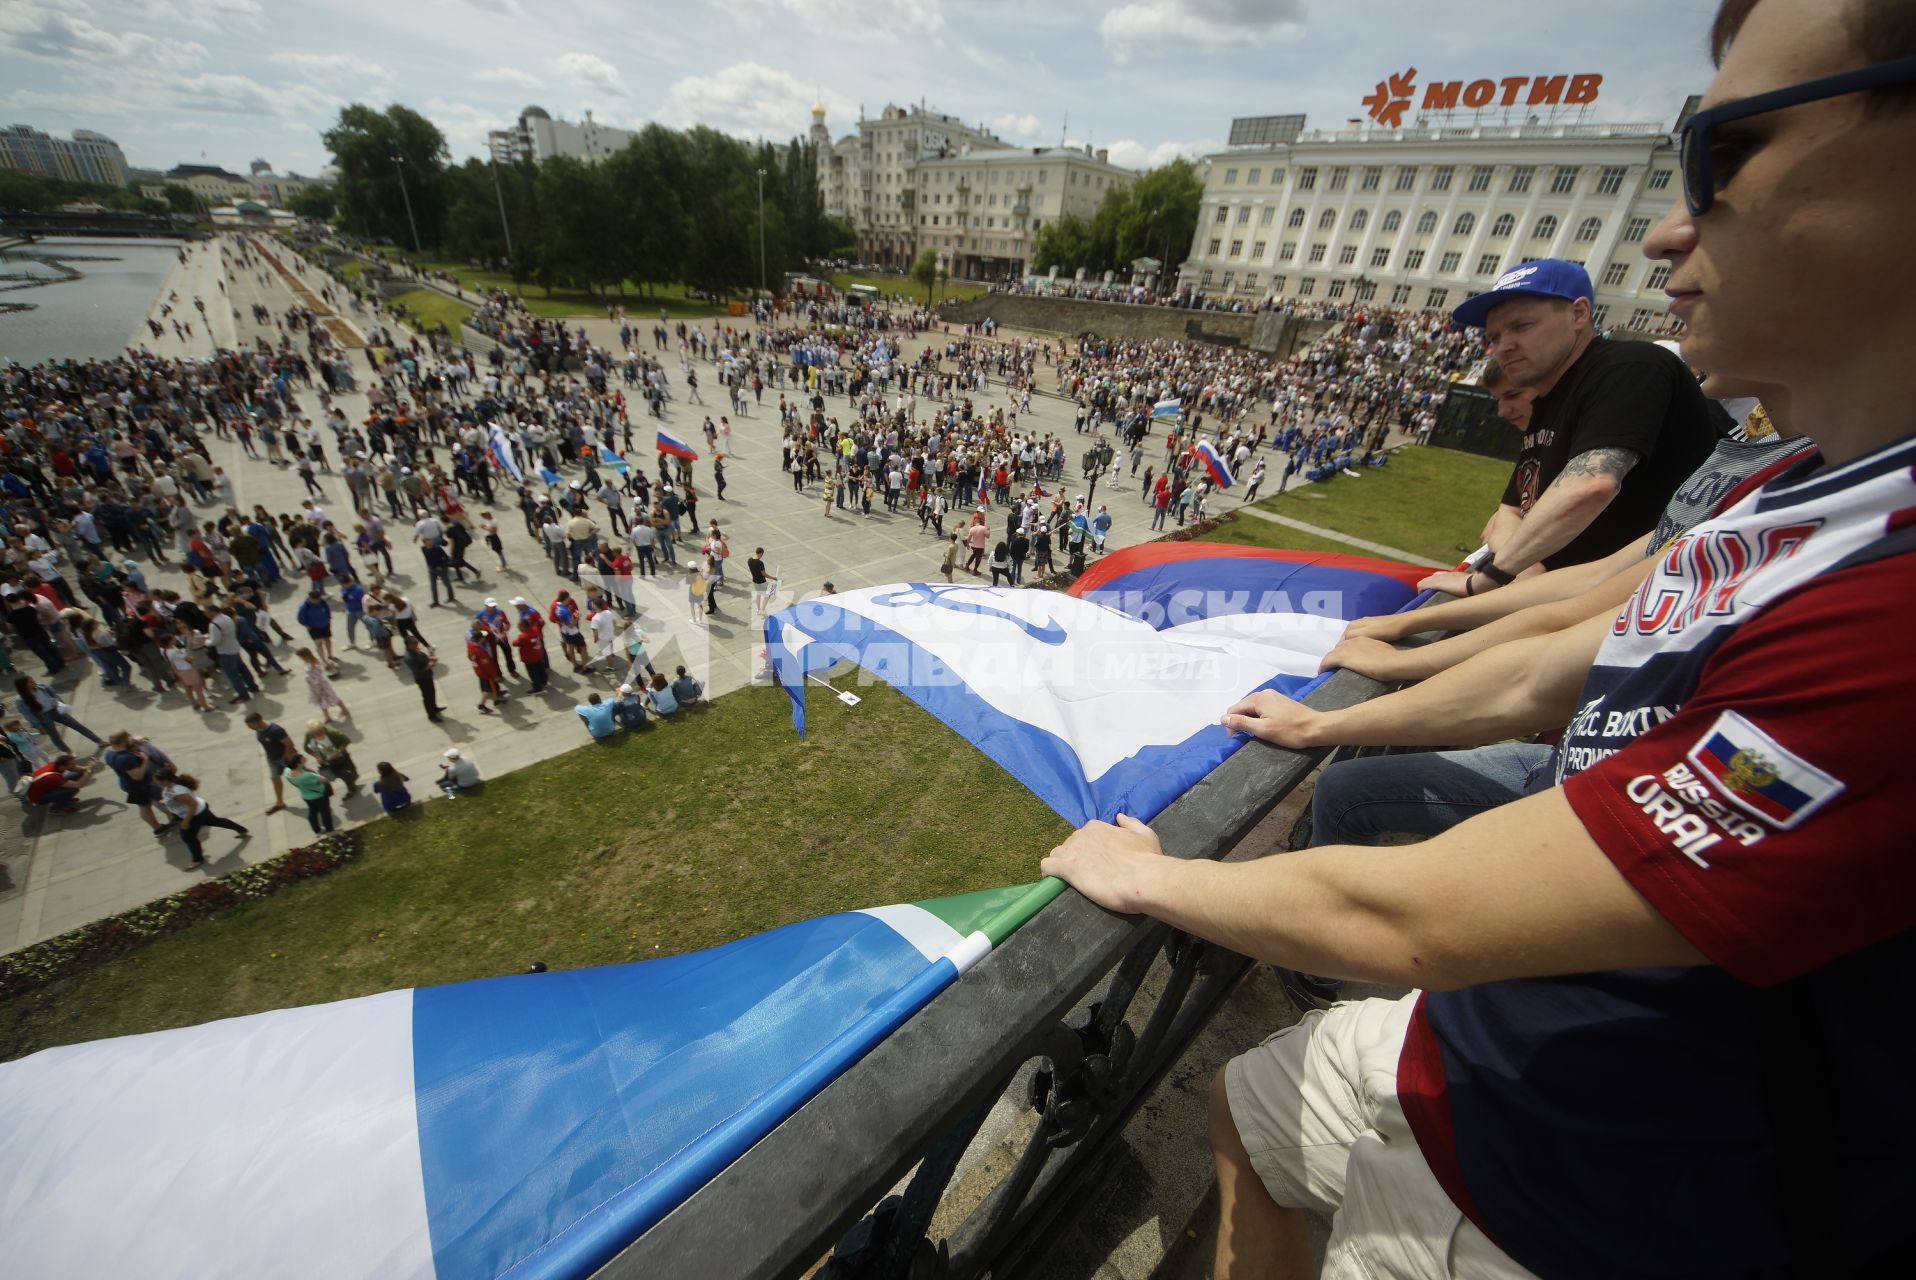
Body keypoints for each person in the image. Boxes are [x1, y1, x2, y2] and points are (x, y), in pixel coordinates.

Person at [1043, 3, 1916, 1274]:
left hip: (1576, 1176)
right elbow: (1550, 658)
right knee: (1252, 1104)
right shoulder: (1801, 492)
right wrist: (1339, 704)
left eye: (1722, 156)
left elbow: (1418, 916)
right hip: (1502, 1037)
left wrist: (1158, 877)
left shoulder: (1885, 617)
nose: (1668, 229)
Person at [1423, 258, 1722, 595]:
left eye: (1521, 326)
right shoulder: (1549, 400)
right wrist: (1521, 564)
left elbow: (1591, 485)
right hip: (1567, 592)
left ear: (1579, 314)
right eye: (1495, 335)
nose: (1504, 345)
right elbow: (1511, 508)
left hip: (1637, 598)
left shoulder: (1631, 366)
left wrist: (1490, 577)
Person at [155, 768, 248, 866]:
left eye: (157, 780)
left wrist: (186, 821)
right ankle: (241, 829)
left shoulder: (178, 792)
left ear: (165, 780)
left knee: (188, 837)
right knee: (215, 821)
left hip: (196, 814)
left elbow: (193, 805)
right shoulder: (170, 787)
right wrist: (166, 802)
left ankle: (197, 859)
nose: (156, 782)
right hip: (200, 808)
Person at [101, 730, 174, 836]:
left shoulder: (109, 753)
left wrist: (136, 739)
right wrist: (145, 761)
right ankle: (167, 821)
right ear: (124, 740)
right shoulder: (126, 758)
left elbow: (126, 743)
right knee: (158, 800)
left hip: (127, 784)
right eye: (129, 738)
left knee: (145, 806)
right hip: (140, 786)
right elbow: (138, 776)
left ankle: (158, 828)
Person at [14, 675, 102, 754]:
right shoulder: (20, 699)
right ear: (24, 685)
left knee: (77, 725)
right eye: (30, 681)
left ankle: (98, 741)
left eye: (32, 679)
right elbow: (27, 714)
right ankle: (67, 751)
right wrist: (38, 726)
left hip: (54, 710)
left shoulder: (41, 687)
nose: (33, 681)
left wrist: (60, 704)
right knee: (55, 736)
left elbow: (54, 695)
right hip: (43, 717)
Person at [25, 752, 98, 815]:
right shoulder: (53, 776)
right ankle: (55, 809)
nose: (74, 765)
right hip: (38, 798)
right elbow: (78, 784)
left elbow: (75, 768)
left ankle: (64, 799)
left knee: (78, 775)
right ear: (63, 766)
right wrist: (88, 772)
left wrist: (89, 766)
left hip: (46, 788)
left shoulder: (55, 765)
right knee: (72, 790)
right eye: (72, 764)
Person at [283, 753, 335, 834]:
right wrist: (317, 774)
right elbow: (323, 779)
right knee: (325, 812)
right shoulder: (306, 776)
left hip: (306, 796)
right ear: (297, 764)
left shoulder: (287, 772)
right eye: (302, 759)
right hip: (319, 796)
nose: (304, 758)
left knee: (312, 812)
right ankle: (330, 829)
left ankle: (317, 830)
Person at [303, 718, 359, 793]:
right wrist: (317, 756)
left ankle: (352, 788)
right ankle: (351, 784)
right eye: (316, 733)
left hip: (339, 758)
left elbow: (346, 740)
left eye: (320, 731)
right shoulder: (309, 734)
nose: (319, 734)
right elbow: (306, 748)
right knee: (333, 775)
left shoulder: (332, 733)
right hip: (325, 760)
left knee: (346, 774)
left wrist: (337, 752)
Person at [400, 635, 445, 723]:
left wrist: (430, 659)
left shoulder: (415, 650)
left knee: (432, 693)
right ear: (408, 645)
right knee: (427, 697)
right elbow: (418, 671)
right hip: (422, 679)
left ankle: (434, 708)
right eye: (414, 643)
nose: (417, 645)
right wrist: (429, 666)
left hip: (427, 676)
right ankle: (431, 715)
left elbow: (423, 657)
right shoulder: (409, 657)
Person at [297, 647, 349, 722]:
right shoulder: (313, 662)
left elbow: (316, 679)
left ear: (304, 656)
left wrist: (318, 690)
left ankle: (333, 715)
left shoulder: (311, 666)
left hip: (319, 686)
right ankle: (338, 712)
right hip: (319, 684)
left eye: (300, 657)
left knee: (324, 699)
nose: (300, 658)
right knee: (329, 698)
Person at [294, 589, 338, 667]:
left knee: (328, 640)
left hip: (324, 624)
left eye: (318, 599)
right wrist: (306, 625)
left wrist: (328, 619)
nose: (317, 601)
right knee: (319, 643)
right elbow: (300, 618)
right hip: (314, 627)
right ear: (311, 598)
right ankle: (323, 661)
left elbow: (327, 610)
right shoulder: (304, 606)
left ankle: (330, 655)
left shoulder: (322, 602)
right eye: (315, 600)